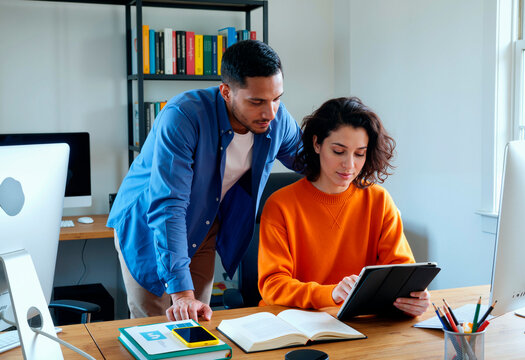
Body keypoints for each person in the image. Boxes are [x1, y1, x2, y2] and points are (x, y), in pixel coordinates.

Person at [108, 40, 302, 322]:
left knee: (198, 323)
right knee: (154, 328)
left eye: (276, 99)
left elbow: (312, 163)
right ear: (226, 92)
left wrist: (356, 162)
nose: (270, 113)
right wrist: (182, 294)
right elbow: (168, 206)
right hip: (147, 227)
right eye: (257, 101)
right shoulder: (183, 117)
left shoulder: (276, 119)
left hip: (203, 225)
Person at [257, 97, 430, 317]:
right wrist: (331, 294)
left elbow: (401, 271)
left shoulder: (379, 200)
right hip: (296, 324)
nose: (349, 165)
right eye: (339, 151)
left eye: (359, 154)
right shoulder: (280, 205)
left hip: (360, 324)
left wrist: (414, 297)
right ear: (317, 144)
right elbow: (273, 285)